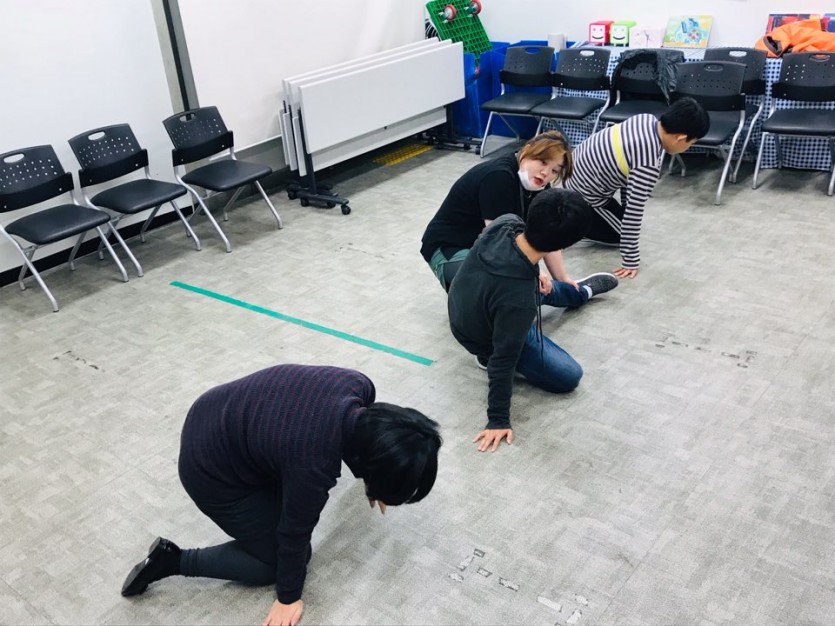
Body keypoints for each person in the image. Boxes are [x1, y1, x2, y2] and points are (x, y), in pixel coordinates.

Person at [120, 364, 442, 626]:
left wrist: (373, 476)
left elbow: (351, 431)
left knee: (283, 501)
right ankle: (173, 561)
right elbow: (293, 535)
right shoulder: (314, 466)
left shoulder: (357, 384)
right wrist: (288, 597)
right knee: (276, 563)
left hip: (213, 410)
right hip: (208, 470)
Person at [447, 188, 594, 453]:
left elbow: (516, 263)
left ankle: (581, 292)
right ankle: (576, 292)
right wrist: (498, 419)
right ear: (562, 246)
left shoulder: (506, 223)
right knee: (569, 376)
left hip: (469, 308)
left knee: (545, 287)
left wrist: (535, 271)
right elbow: (503, 359)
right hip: (486, 335)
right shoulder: (519, 301)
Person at [420, 130, 618, 304]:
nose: (545, 173)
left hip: (483, 248)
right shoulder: (499, 177)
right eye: (543, 162)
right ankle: (578, 294)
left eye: (554, 171)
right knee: (505, 288)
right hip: (450, 248)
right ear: (527, 150)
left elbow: (548, 237)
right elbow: (499, 241)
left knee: (518, 287)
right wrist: (533, 273)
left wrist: (562, 278)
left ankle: (575, 292)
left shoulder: (538, 187)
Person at [565, 97, 710, 279]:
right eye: (691, 143)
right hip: (583, 197)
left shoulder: (646, 119)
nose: (688, 148)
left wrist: (623, 210)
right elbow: (634, 212)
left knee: (621, 223)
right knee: (619, 235)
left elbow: (628, 179)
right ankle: (574, 225)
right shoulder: (648, 164)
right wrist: (630, 260)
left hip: (572, 173)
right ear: (680, 138)